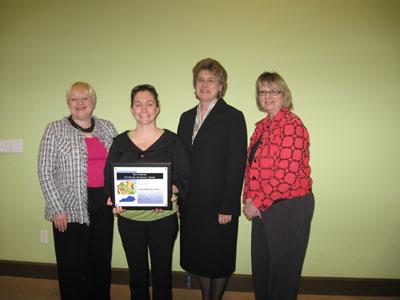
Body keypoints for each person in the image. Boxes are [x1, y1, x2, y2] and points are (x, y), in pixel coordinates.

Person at [104, 84, 190, 300]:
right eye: (138, 104)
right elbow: (109, 178)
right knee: (137, 274)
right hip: (129, 219)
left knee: (162, 275)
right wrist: (114, 199)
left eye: (149, 104)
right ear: (132, 109)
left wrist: (169, 190)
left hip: (163, 219)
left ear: (158, 108)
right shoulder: (120, 143)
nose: (144, 109)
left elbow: (184, 177)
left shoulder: (172, 141)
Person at [38, 82, 117, 300]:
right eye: (74, 99)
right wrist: (56, 209)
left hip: (103, 204)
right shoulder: (54, 129)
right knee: (72, 264)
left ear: (93, 101)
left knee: (100, 260)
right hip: (68, 208)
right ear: (68, 103)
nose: (80, 103)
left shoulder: (108, 127)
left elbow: (118, 165)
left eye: (85, 98)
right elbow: (45, 171)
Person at [178, 58, 247, 300]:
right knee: (200, 256)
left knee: (218, 257)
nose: (204, 84)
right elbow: (181, 162)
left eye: (211, 80)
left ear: (221, 86)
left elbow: (237, 164)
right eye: (200, 80)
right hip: (192, 204)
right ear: (194, 84)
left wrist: (228, 205)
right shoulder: (186, 117)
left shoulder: (233, 117)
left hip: (219, 204)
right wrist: (179, 201)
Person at [243, 71, 315, 300]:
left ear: (284, 95)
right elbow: (250, 168)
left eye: (274, 91)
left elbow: (287, 175)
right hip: (263, 205)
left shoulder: (292, 125)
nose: (268, 96)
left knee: (283, 272)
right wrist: (248, 199)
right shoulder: (261, 127)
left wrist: (258, 203)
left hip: (289, 206)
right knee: (263, 268)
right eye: (263, 91)